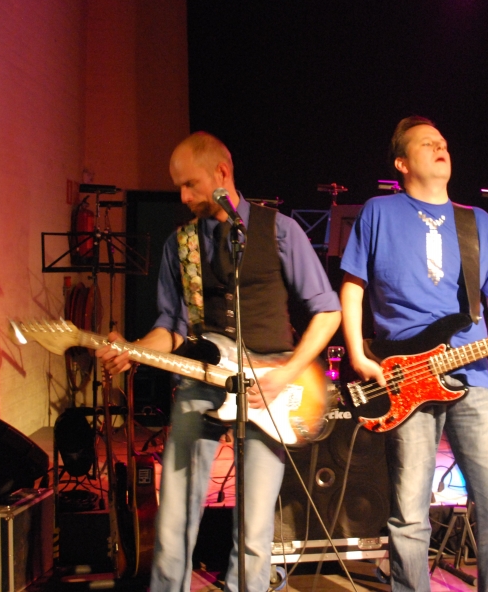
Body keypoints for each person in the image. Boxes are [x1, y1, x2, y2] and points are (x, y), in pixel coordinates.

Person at [96, 132, 341, 592]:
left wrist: (286, 373)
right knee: (174, 515)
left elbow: (328, 312)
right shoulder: (181, 243)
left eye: (190, 184)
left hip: (271, 386)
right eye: (179, 187)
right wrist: (135, 350)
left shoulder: (281, 231)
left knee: (254, 528)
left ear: (222, 173)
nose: (183, 197)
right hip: (203, 379)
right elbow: (172, 325)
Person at [340, 116, 488, 592]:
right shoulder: (379, 212)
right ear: (402, 163)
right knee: (410, 515)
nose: (440, 147)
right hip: (404, 376)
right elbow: (353, 287)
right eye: (426, 143)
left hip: (473, 376)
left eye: (442, 142)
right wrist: (357, 355)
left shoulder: (475, 220)